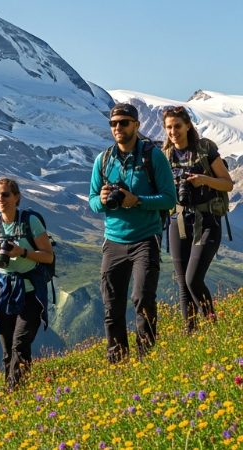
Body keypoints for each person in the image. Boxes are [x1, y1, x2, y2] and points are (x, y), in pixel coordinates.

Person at [88, 103, 176, 363]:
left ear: (137, 125)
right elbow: (92, 201)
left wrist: (136, 200)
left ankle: (146, 359)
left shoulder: (153, 156)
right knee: (111, 306)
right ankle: (118, 363)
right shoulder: (103, 159)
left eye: (124, 122)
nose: (118, 127)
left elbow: (169, 199)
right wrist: (102, 200)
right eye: (113, 123)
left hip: (145, 239)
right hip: (113, 241)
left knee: (143, 299)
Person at [161, 106, 233, 332]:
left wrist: (203, 179)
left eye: (178, 126)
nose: (174, 132)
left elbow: (227, 183)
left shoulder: (205, 149)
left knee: (193, 280)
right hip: (178, 221)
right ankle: (189, 331)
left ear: (188, 125)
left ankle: (212, 324)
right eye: (169, 127)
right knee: (183, 284)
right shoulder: (164, 156)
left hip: (208, 220)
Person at [0, 178, 54, 389]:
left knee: (19, 343)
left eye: (5, 194)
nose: (0, 199)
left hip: (30, 292)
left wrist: (22, 252)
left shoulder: (30, 221)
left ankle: (16, 391)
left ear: (16, 197)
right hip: (4, 293)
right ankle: (13, 390)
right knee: (7, 349)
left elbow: (48, 256)